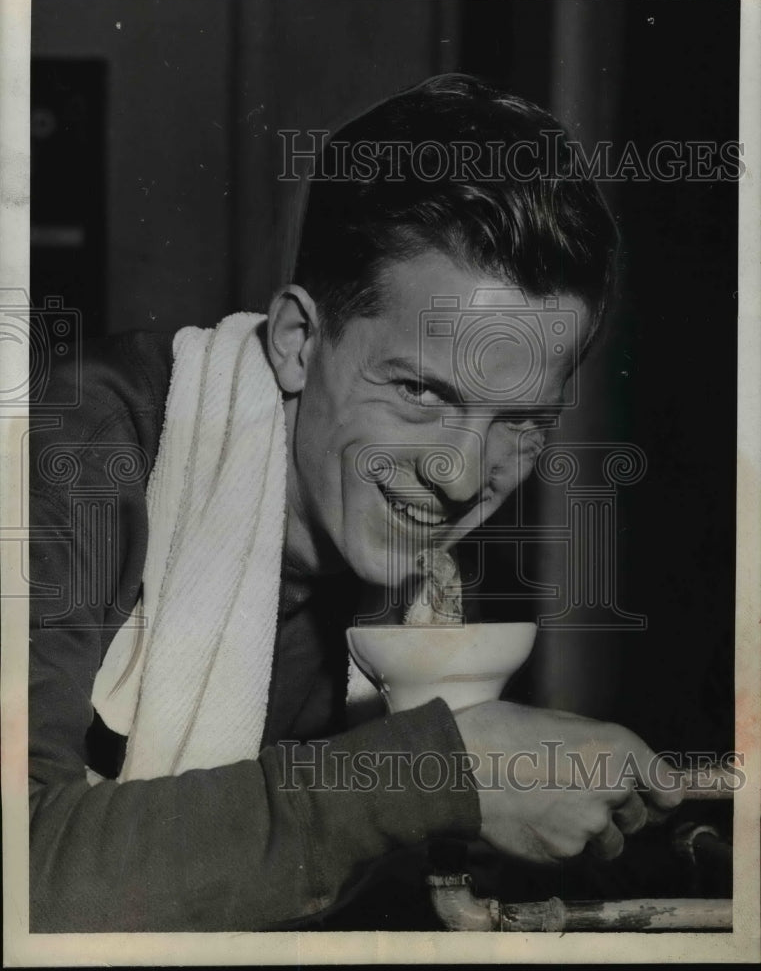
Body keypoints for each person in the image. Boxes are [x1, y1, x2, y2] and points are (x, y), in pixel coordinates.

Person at [28, 74, 683, 932]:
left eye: (518, 421)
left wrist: (497, 807)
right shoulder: (71, 449)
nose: (458, 477)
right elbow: (18, 872)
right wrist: (433, 775)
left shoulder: (398, 550)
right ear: (300, 341)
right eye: (418, 391)